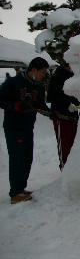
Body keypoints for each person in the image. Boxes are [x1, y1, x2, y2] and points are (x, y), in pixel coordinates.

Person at [0, 57, 49, 204]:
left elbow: (40, 105)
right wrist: (15, 106)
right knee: (17, 159)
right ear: (33, 70)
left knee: (27, 158)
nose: (44, 75)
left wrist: (52, 114)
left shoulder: (38, 86)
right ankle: (15, 193)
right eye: (43, 72)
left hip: (28, 127)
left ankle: (21, 189)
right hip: (14, 127)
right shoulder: (13, 82)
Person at [47, 64, 80, 170]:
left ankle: (74, 167)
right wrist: (67, 104)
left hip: (74, 116)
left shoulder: (75, 74)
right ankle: (65, 168)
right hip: (61, 116)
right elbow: (52, 96)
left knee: (74, 143)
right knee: (64, 144)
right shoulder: (58, 76)